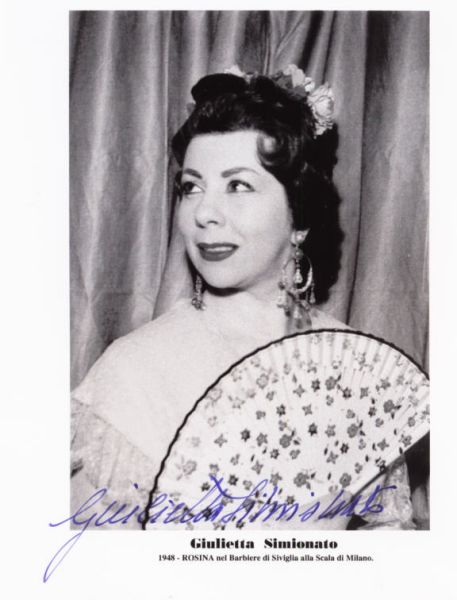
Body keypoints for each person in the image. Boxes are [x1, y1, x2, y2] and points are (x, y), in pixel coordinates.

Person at [71, 65, 426, 530]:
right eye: (191, 187)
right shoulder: (132, 372)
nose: (204, 212)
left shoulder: (356, 369)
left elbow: (388, 540)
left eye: (237, 185)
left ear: (299, 216)